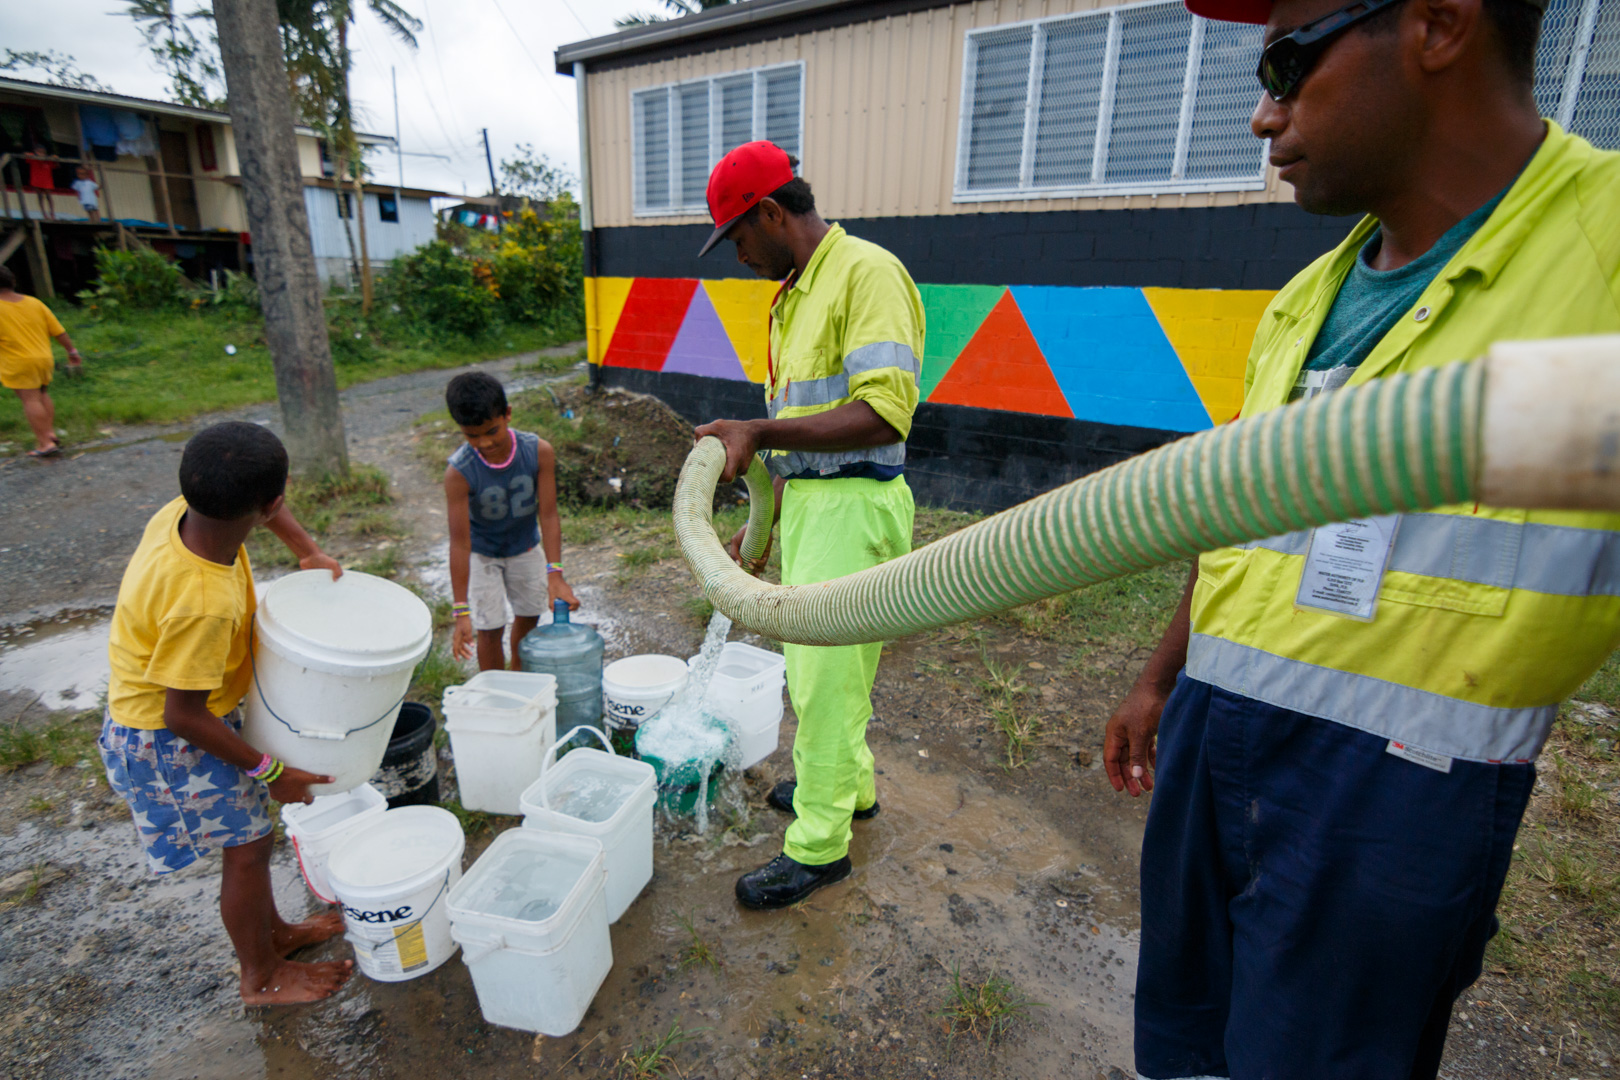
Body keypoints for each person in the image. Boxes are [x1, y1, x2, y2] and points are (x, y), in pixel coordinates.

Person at [1102, 0, 1620, 1075]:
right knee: (1185, 1046)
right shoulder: (1304, 298)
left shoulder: (1605, 253)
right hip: (1215, 730)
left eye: (1287, 65)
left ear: (1437, 24)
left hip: (1397, 791)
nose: (1262, 117)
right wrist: (1163, 677)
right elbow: (1233, 507)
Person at [693, 141, 925, 910]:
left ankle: (820, 848)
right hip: (820, 505)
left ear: (769, 212)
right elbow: (803, 425)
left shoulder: (866, 272)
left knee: (825, 684)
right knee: (823, 671)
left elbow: (883, 412)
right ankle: (848, 790)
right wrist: (769, 521)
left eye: (737, 236)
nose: (738, 255)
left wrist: (760, 436)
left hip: (856, 507)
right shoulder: (797, 294)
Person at [97, 421, 354, 1005]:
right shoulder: (203, 603)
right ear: (272, 499)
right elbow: (181, 715)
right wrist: (270, 770)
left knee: (255, 840)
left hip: (182, 719)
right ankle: (259, 976)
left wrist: (306, 550)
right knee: (244, 853)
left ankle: (277, 934)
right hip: (165, 737)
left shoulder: (186, 515)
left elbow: (266, 510)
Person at [444, 371, 578, 671]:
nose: (485, 443)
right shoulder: (459, 472)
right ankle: (496, 690)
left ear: (507, 414)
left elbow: (549, 514)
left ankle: (519, 680)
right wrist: (461, 610)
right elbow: (460, 544)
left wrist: (555, 574)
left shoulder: (538, 451)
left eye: (492, 431)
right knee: (489, 628)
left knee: (529, 616)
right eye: (472, 435)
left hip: (526, 549)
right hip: (482, 556)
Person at [0, 264, 82, 458]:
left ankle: (45, 443)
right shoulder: (34, 303)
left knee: (30, 400)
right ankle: (49, 433)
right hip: (44, 358)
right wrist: (71, 350)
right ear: (13, 281)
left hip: (18, 361)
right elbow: (58, 330)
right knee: (43, 394)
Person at [25, 144, 56, 221]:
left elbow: (56, 165)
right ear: (35, 152)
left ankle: (52, 214)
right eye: (39, 152)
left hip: (47, 182)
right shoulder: (33, 158)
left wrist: (55, 158)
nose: (41, 154)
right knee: (40, 197)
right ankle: (44, 214)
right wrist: (29, 154)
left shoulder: (48, 160)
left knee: (49, 197)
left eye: (43, 152)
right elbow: (26, 155)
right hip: (37, 181)